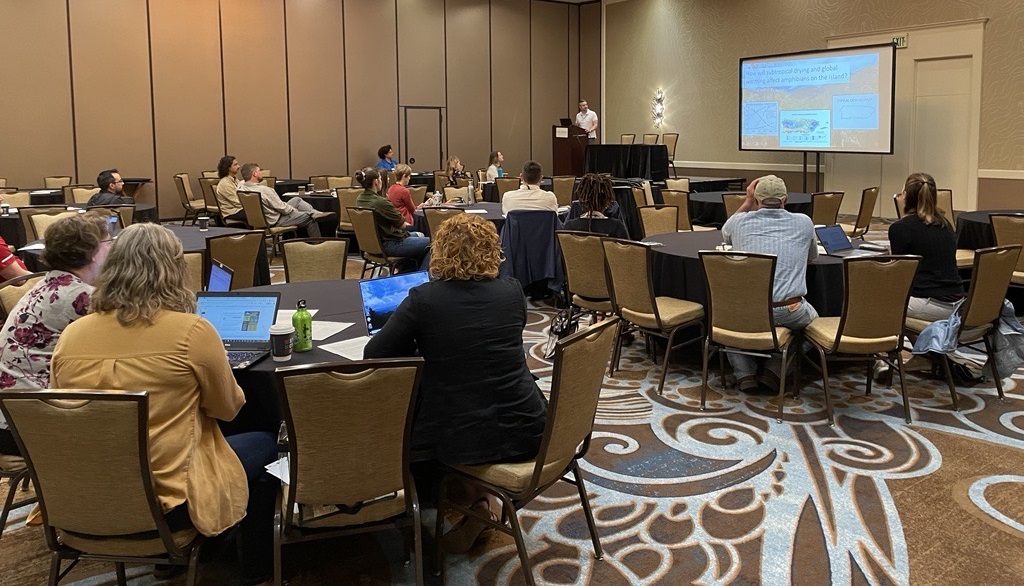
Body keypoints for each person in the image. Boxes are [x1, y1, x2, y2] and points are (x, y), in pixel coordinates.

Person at [50, 223, 276, 586]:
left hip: (83, 502)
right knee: (265, 443)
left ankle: (173, 561)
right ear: (174, 270)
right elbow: (228, 409)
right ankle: (256, 572)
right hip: (168, 508)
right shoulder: (191, 331)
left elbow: (64, 414)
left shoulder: (72, 336)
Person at [363, 213, 546, 552]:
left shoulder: (424, 299)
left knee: (413, 424)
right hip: (529, 426)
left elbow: (374, 353)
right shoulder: (512, 291)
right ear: (493, 251)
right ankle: (478, 503)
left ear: (440, 252)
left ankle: (466, 503)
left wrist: (422, 344)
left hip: (462, 438)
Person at [0, 212, 111, 456]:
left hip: (10, 414)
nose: (111, 248)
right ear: (92, 252)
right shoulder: (82, 297)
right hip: (26, 425)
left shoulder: (50, 283)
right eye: (107, 243)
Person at [721, 175, 818, 393]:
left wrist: (746, 203)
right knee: (815, 327)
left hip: (747, 309)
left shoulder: (739, 222)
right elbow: (812, 257)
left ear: (756, 199)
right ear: (785, 199)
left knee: (725, 318)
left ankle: (744, 374)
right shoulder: (804, 222)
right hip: (789, 309)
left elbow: (725, 234)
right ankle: (775, 369)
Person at [889, 172, 963, 320]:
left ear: (905, 196)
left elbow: (900, 274)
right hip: (958, 300)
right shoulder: (945, 223)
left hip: (932, 303)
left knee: (871, 300)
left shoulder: (900, 228)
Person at [354, 167, 431, 271]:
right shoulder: (380, 202)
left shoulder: (360, 199)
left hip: (373, 245)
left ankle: (407, 272)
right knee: (434, 242)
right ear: (376, 181)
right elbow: (402, 225)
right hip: (389, 245)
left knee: (418, 237)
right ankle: (421, 278)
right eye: (381, 178)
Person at [239, 163, 332, 237]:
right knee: (309, 218)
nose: (261, 173)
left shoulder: (241, 188)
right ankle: (318, 246)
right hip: (275, 220)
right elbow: (283, 209)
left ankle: (316, 213)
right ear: (254, 174)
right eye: (259, 171)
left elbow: (243, 181)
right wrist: (292, 210)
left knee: (296, 200)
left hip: (262, 220)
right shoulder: (265, 190)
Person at [561, 173, 629, 238]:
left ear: (583, 200)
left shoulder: (570, 227)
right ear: (607, 201)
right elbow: (628, 249)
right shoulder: (617, 227)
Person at [214, 155, 246, 224]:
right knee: (256, 213)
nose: (239, 166)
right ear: (228, 167)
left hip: (239, 209)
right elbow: (237, 202)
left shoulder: (235, 179)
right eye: (235, 165)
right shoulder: (225, 183)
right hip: (232, 212)